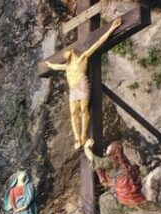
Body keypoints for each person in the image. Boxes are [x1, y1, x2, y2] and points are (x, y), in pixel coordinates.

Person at [44, 18, 122, 149]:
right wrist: (48, 64)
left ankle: (84, 136)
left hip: (82, 84)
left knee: (84, 109)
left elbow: (98, 43)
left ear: (73, 51)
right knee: (74, 112)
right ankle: (77, 138)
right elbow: (56, 67)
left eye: (66, 52)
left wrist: (112, 28)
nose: (64, 54)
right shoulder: (67, 66)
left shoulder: (83, 57)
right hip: (73, 88)